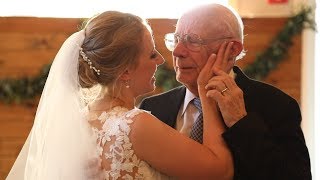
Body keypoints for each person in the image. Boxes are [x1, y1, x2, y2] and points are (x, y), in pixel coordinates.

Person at [6, 10, 235, 180]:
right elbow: (220, 171)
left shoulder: (78, 122)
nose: (162, 60)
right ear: (126, 71)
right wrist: (207, 95)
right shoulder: (135, 125)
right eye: (152, 54)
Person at [139, 3, 312, 180]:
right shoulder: (152, 108)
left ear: (232, 50)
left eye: (192, 40)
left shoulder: (277, 105)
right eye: (176, 39)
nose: (177, 51)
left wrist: (240, 122)